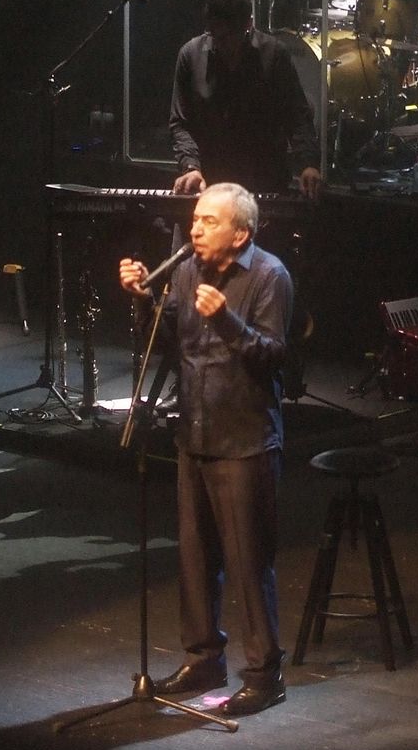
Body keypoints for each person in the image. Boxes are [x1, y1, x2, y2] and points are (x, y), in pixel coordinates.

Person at [118, 183, 291, 717]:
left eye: (209, 221)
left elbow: (272, 356)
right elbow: (169, 337)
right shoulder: (189, 269)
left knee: (247, 560)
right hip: (193, 432)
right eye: (195, 219)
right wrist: (145, 300)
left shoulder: (269, 276)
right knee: (195, 559)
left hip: (243, 439)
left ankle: (264, 675)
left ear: (240, 233)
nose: (195, 229)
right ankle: (204, 658)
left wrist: (226, 320)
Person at [169, 0, 322, 199]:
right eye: (215, 35)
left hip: (265, 181)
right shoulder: (191, 55)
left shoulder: (275, 55)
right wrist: (191, 166)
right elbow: (180, 122)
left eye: (228, 37)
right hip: (209, 182)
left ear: (248, 25)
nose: (221, 45)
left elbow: (297, 116)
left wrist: (308, 164)